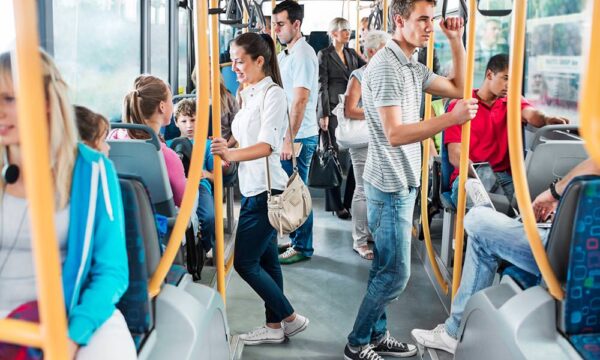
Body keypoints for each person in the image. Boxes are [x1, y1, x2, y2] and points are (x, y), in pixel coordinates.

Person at [343, 0, 479, 358]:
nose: (429, 26)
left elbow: (457, 88)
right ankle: (357, 342)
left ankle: (377, 333)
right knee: (396, 276)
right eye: (422, 19)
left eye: (431, 19)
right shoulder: (387, 67)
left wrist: (456, 40)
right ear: (399, 21)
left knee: (385, 268)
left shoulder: (411, 65)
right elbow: (395, 134)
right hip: (388, 185)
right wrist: (452, 120)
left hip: (400, 181)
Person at [0, 50, 135, 359]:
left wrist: (73, 335)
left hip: (73, 310)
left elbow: (111, 271)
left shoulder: (92, 171)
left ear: (45, 103)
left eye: (9, 99)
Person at [411, 158, 600, 354]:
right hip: (580, 245)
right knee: (491, 229)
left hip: (573, 256)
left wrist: (554, 193)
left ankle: (453, 331)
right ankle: (493, 212)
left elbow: (596, 162)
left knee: (478, 222)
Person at [211, 32, 309, 345]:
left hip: (267, 194)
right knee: (267, 262)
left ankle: (290, 317)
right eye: (233, 60)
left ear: (260, 61)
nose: (234, 67)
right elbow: (245, 133)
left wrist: (230, 155)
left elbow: (267, 145)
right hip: (252, 187)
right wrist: (228, 144)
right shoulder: (248, 93)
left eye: (240, 61)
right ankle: (274, 326)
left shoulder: (274, 94)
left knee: (244, 263)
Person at [445, 54, 569, 207]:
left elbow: (532, 115)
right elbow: (455, 155)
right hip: (469, 176)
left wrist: (547, 120)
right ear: (489, 74)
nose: (510, 85)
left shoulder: (512, 101)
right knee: (484, 212)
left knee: (524, 210)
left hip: (504, 177)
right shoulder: (462, 105)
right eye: (506, 78)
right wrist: (483, 176)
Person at [272, 0, 319, 265]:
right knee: (291, 189)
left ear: (297, 24)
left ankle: (303, 246)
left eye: (281, 24)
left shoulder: (303, 54)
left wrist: (289, 139)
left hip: (299, 135)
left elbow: (300, 100)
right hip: (290, 134)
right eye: (274, 24)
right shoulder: (287, 52)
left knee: (297, 191)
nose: (276, 29)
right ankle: (296, 240)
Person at [343, 30, 391, 260]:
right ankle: (359, 240)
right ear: (372, 52)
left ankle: (371, 231)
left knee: (377, 188)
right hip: (362, 140)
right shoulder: (359, 76)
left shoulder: (387, 76)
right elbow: (350, 110)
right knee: (362, 189)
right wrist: (380, 114)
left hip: (382, 138)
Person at [108, 75, 186, 206]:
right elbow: (183, 200)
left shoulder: (112, 137)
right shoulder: (165, 155)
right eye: (171, 101)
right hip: (159, 222)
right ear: (162, 106)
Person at [318, 17, 367, 220]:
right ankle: (336, 205)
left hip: (351, 107)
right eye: (344, 30)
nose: (348, 33)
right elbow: (322, 84)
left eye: (349, 29)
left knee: (356, 156)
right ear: (334, 33)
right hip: (332, 108)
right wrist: (323, 114)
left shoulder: (352, 53)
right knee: (332, 156)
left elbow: (367, 68)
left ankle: (349, 201)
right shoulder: (324, 55)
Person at [172, 99, 216, 253]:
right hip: (175, 186)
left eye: (193, 120)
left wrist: (206, 174)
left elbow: (216, 177)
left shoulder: (208, 145)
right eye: (184, 121)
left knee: (209, 217)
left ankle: (202, 250)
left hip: (200, 185)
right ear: (176, 123)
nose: (189, 125)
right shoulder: (169, 144)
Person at [191, 65, 239, 147]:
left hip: (224, 146)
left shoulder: (229, 99)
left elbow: (237, 129)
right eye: (202, 73)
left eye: (210, 73)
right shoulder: (193, 99)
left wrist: (226, 147)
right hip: (199, 147)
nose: (206, 77)